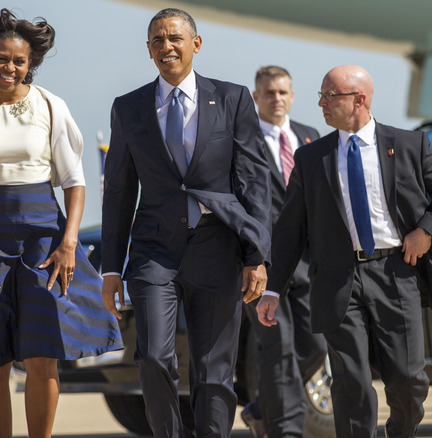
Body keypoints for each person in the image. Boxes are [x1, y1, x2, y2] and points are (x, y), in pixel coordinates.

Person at [256, 65, 432, 438]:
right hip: (339, 279)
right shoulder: (311, 159)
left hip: (395, 272)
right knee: (350, 383)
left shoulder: (407, 145)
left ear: (359, 100)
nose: (321, 103)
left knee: (408, 382)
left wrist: (426, 232)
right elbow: (291, 230)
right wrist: (273, 288)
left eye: (329, 96)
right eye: (320, 95)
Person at [0, 9, 123, 438]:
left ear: (30, 64)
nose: (10, 68)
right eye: (2, 58)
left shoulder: (50, 105)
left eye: (19, 61)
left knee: (43, 358)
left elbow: (74, 182)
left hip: (46, 240)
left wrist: (68, 243)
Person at [100, 8, 272, 438]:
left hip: (218, 248)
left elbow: (253, 181)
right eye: (157, 40)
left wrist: (256, 254)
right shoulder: (129, 108)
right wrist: (110, 267)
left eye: (175, 38)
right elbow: (119, 192)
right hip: (154, 252)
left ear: (196, 44)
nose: (166, 46)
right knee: (155, 358)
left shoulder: (232, 99)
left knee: (214, 371)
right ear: (148, 50)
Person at [240, 66, 327, 438]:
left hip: (310, 264)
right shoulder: (241, 141)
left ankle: (260, 408)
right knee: (277, 351)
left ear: (292, 96)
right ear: (256, 98)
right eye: (269, 93)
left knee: (316, 346)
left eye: (282, 92)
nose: (277, 99)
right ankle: (285, 430)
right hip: (264, 265)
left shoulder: (310, 137)